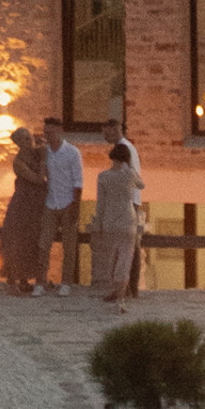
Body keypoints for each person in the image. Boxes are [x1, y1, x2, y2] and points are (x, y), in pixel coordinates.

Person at [0, 126, 47, 295]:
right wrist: (43, 160)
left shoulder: (38, 152)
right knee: (15, 242)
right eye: (25, 139)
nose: (29, 141)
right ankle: (12, 281)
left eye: (29, 137)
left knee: (31, 242)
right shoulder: (18, 162)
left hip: (36, 206)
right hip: (22, 205)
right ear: (19, 143)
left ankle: (25, 279)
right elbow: (39, 180)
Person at [90, 142, 139, 305]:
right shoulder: (129, 175)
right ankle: (121, 295)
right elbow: (142, 185)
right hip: (127, 218)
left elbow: (101, 203)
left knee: (112, 256)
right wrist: (130, 166)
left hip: (110, 220)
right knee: (125, 257)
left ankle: (116, 291)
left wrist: (99, 222)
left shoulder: (103, 176)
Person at [41, 120, 84, 294]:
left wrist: (76, 205)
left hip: (68, 203)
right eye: (46, 132)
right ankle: (41, 281)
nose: (47, 135)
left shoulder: (72, 152)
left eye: (50, 132)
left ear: (59, 130)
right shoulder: (45, 153)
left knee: (69, 245)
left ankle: (66, 282)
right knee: (43, 243)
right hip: (50, 202)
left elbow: (78, 180)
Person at [104, 120, 146, 294]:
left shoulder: (125, 149)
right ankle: (127, 287)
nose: (104, 137)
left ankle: (128, 287)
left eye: (107, 133)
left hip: (127, 203)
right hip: (129, 201)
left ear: (116, 130)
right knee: (128, 245)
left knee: (128, 246)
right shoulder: (127, 147)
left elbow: (132, 177)